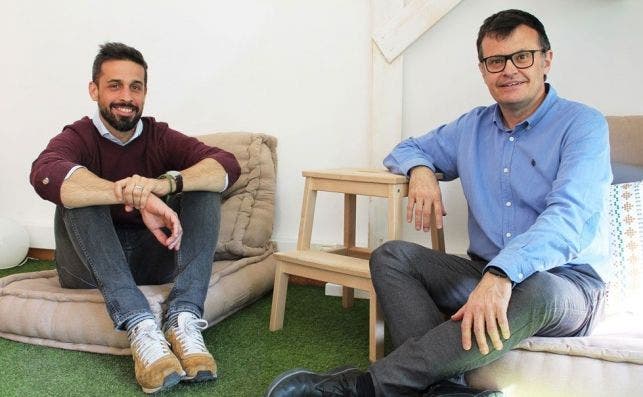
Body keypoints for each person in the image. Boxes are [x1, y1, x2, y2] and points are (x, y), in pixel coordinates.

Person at [264, 9, 610, 397]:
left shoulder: (584, 125)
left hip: (566, 285)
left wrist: (503, 274)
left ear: (546, 59)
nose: (509, 70)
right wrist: (422, 171)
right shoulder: (472, 127)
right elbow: (406, 148)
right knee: (391, 256)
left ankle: (363, 387)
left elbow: (570, 216)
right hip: (481, 273)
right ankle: (445, 390)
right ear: (483, 70)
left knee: (539, 287)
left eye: (522, 56)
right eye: (495, 61)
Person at [30, 42, 240, 394]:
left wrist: (163, 185)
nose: (126, 96)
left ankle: (183, 319)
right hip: (85, 265)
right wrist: (128, 193)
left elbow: (226, 165)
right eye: (114, 85)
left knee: (202, 187)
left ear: (144, 93)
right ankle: (140, 324)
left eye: (135, 87)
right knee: (80, 192)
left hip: (151, 258)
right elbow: (45, 174)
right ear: (94, 90)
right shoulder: (78, 136)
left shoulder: (159, 135)